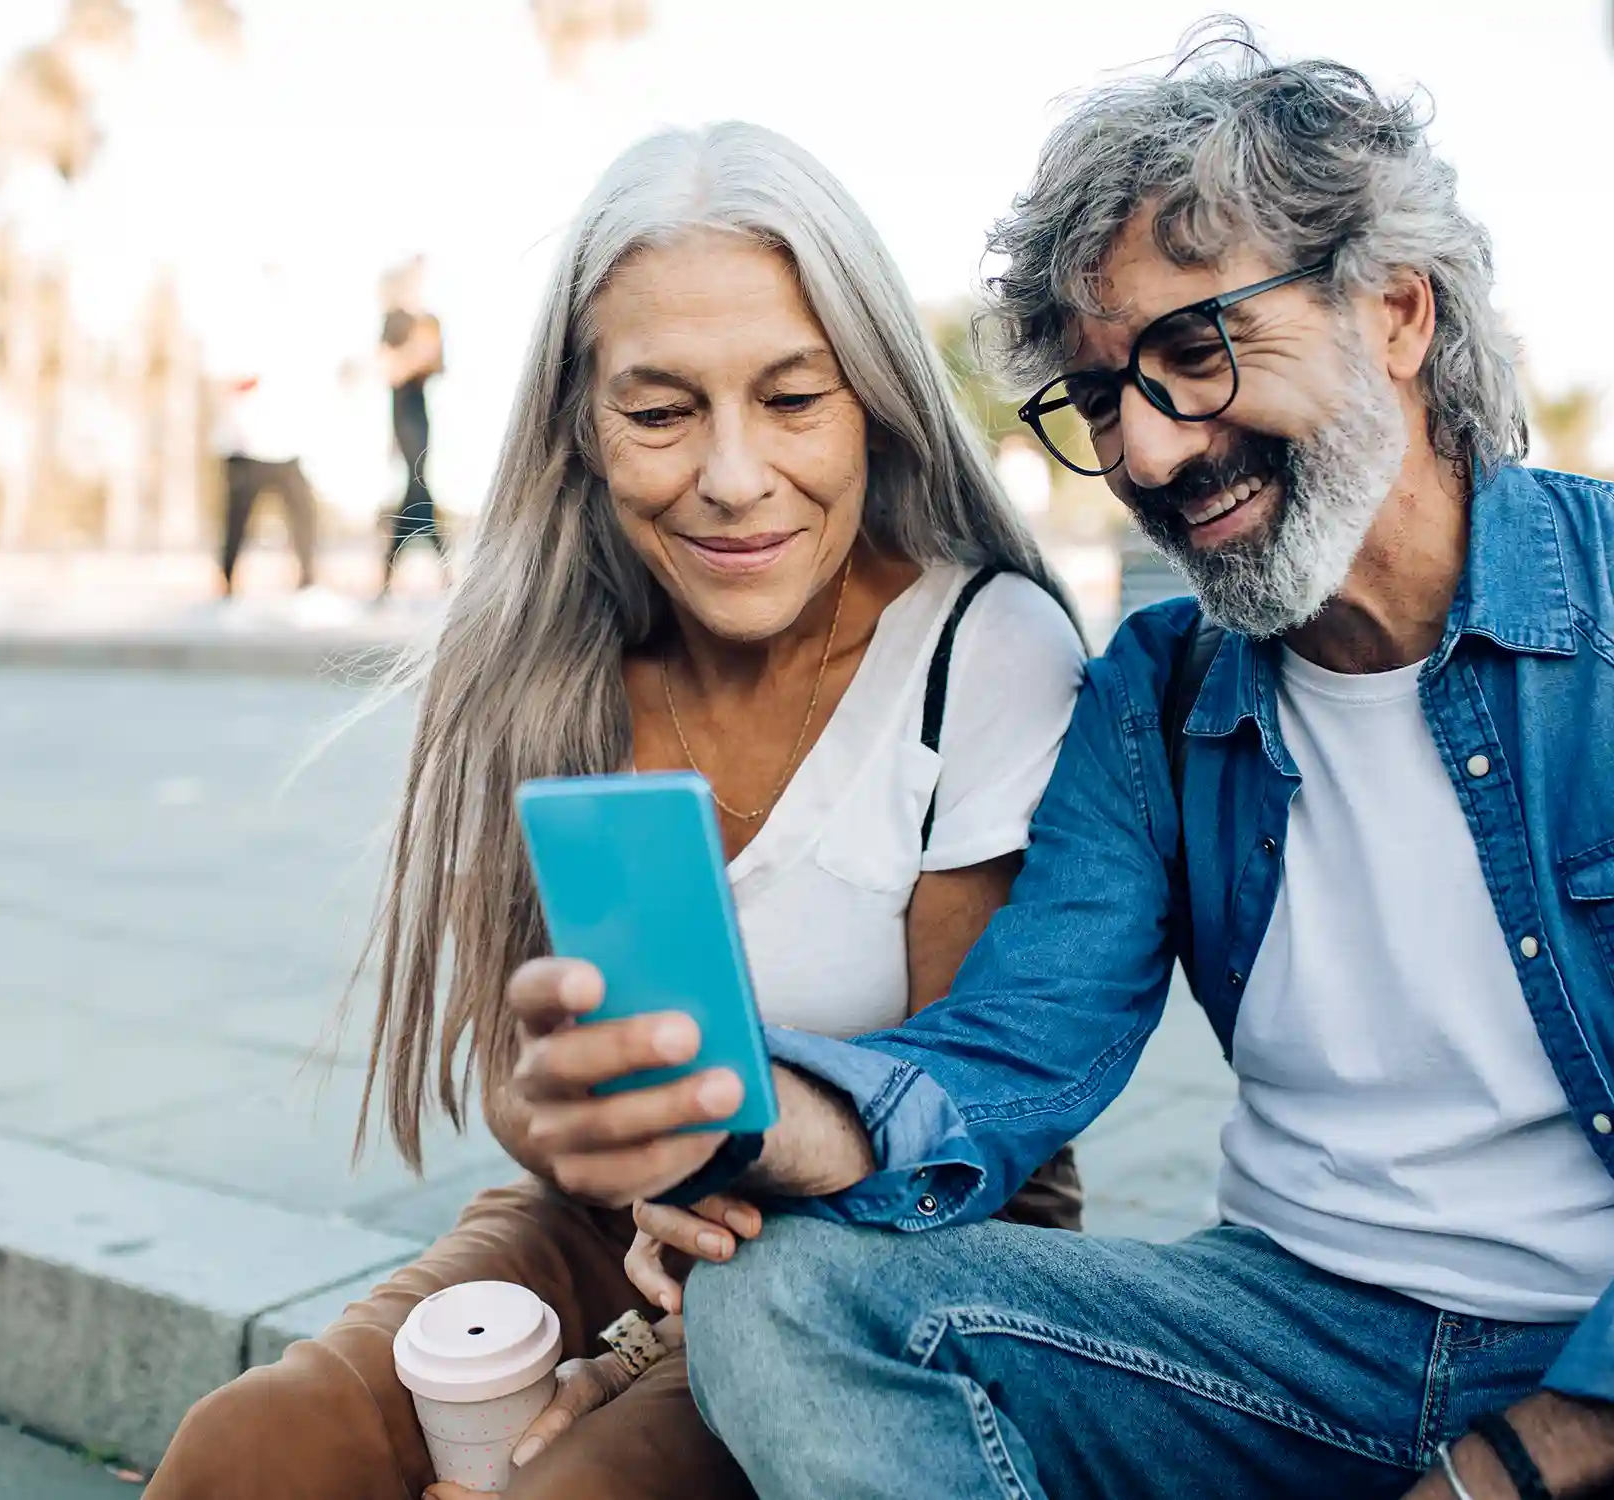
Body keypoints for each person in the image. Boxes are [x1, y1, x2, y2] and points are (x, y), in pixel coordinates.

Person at [505, 32, 1614, 1500]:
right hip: (1288, 1354)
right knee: (786, 1298)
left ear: (1392, 308)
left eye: (1192, 352)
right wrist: (750, 1116)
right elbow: (1010, 1055)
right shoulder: (1156, 694)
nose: (1144, 448)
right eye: (1096, 398)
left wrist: (1501, 1472)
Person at [144, 122, 1087, 1500]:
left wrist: (655, 1357)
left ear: (874, 399)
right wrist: (575, 1137)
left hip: (910, 1264)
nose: (732, 474)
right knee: (256, 1449)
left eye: (791, 399)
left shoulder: (985, 654)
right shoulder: (542, 657)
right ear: (581, 430)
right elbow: (525, 1095)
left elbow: (975, 1131)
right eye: (659, 412)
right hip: (614, 1228)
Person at [376, 258, 451, 599]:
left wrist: (422, 353)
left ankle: (393, 567)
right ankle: (439, 564)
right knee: (417, 486)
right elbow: (388, 370)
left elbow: (438, 366)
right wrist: (414, 352)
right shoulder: (394, 321)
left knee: (417, 485)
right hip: (401, 412)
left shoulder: (430, 321)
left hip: (420, 412)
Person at [214, 375, 320, 597]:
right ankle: (226, 579)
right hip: (247, 453)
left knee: (304, 516)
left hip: (286, 453)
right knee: (236, 523)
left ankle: (308, 579)